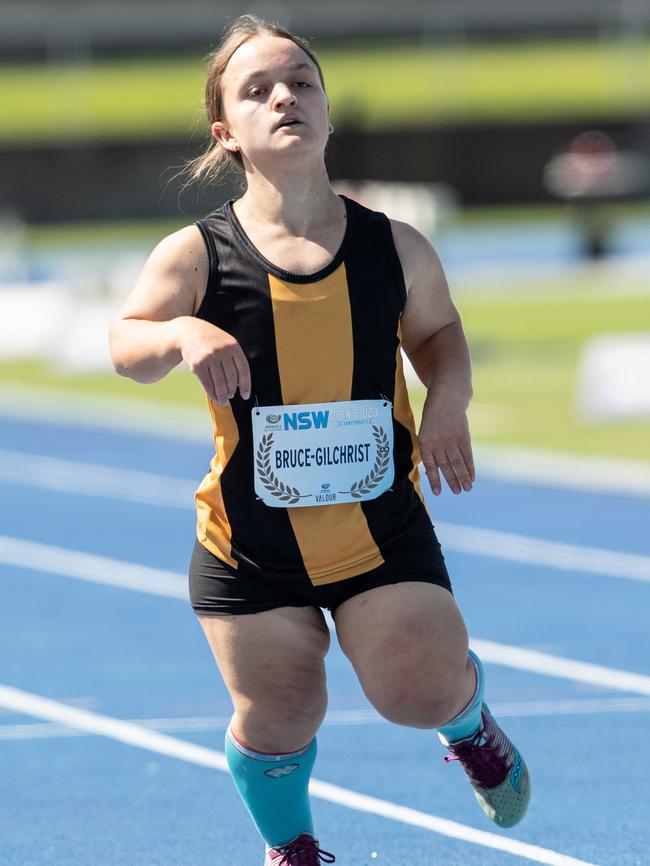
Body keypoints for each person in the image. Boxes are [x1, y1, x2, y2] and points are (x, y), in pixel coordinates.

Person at [109, 15, 530, 865]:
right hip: (249, 540)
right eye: (258, 89)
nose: (285, 97)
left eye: (302, 81)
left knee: (414, 691)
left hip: (378, 527)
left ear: (329, 110)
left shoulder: (392, 245)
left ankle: (464, 718)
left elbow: (439, 334)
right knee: (280, 712)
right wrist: (184, 337)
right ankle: (293, 848)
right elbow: (127, 345)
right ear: (226, 134)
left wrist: (448, 400)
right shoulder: (197, 256)